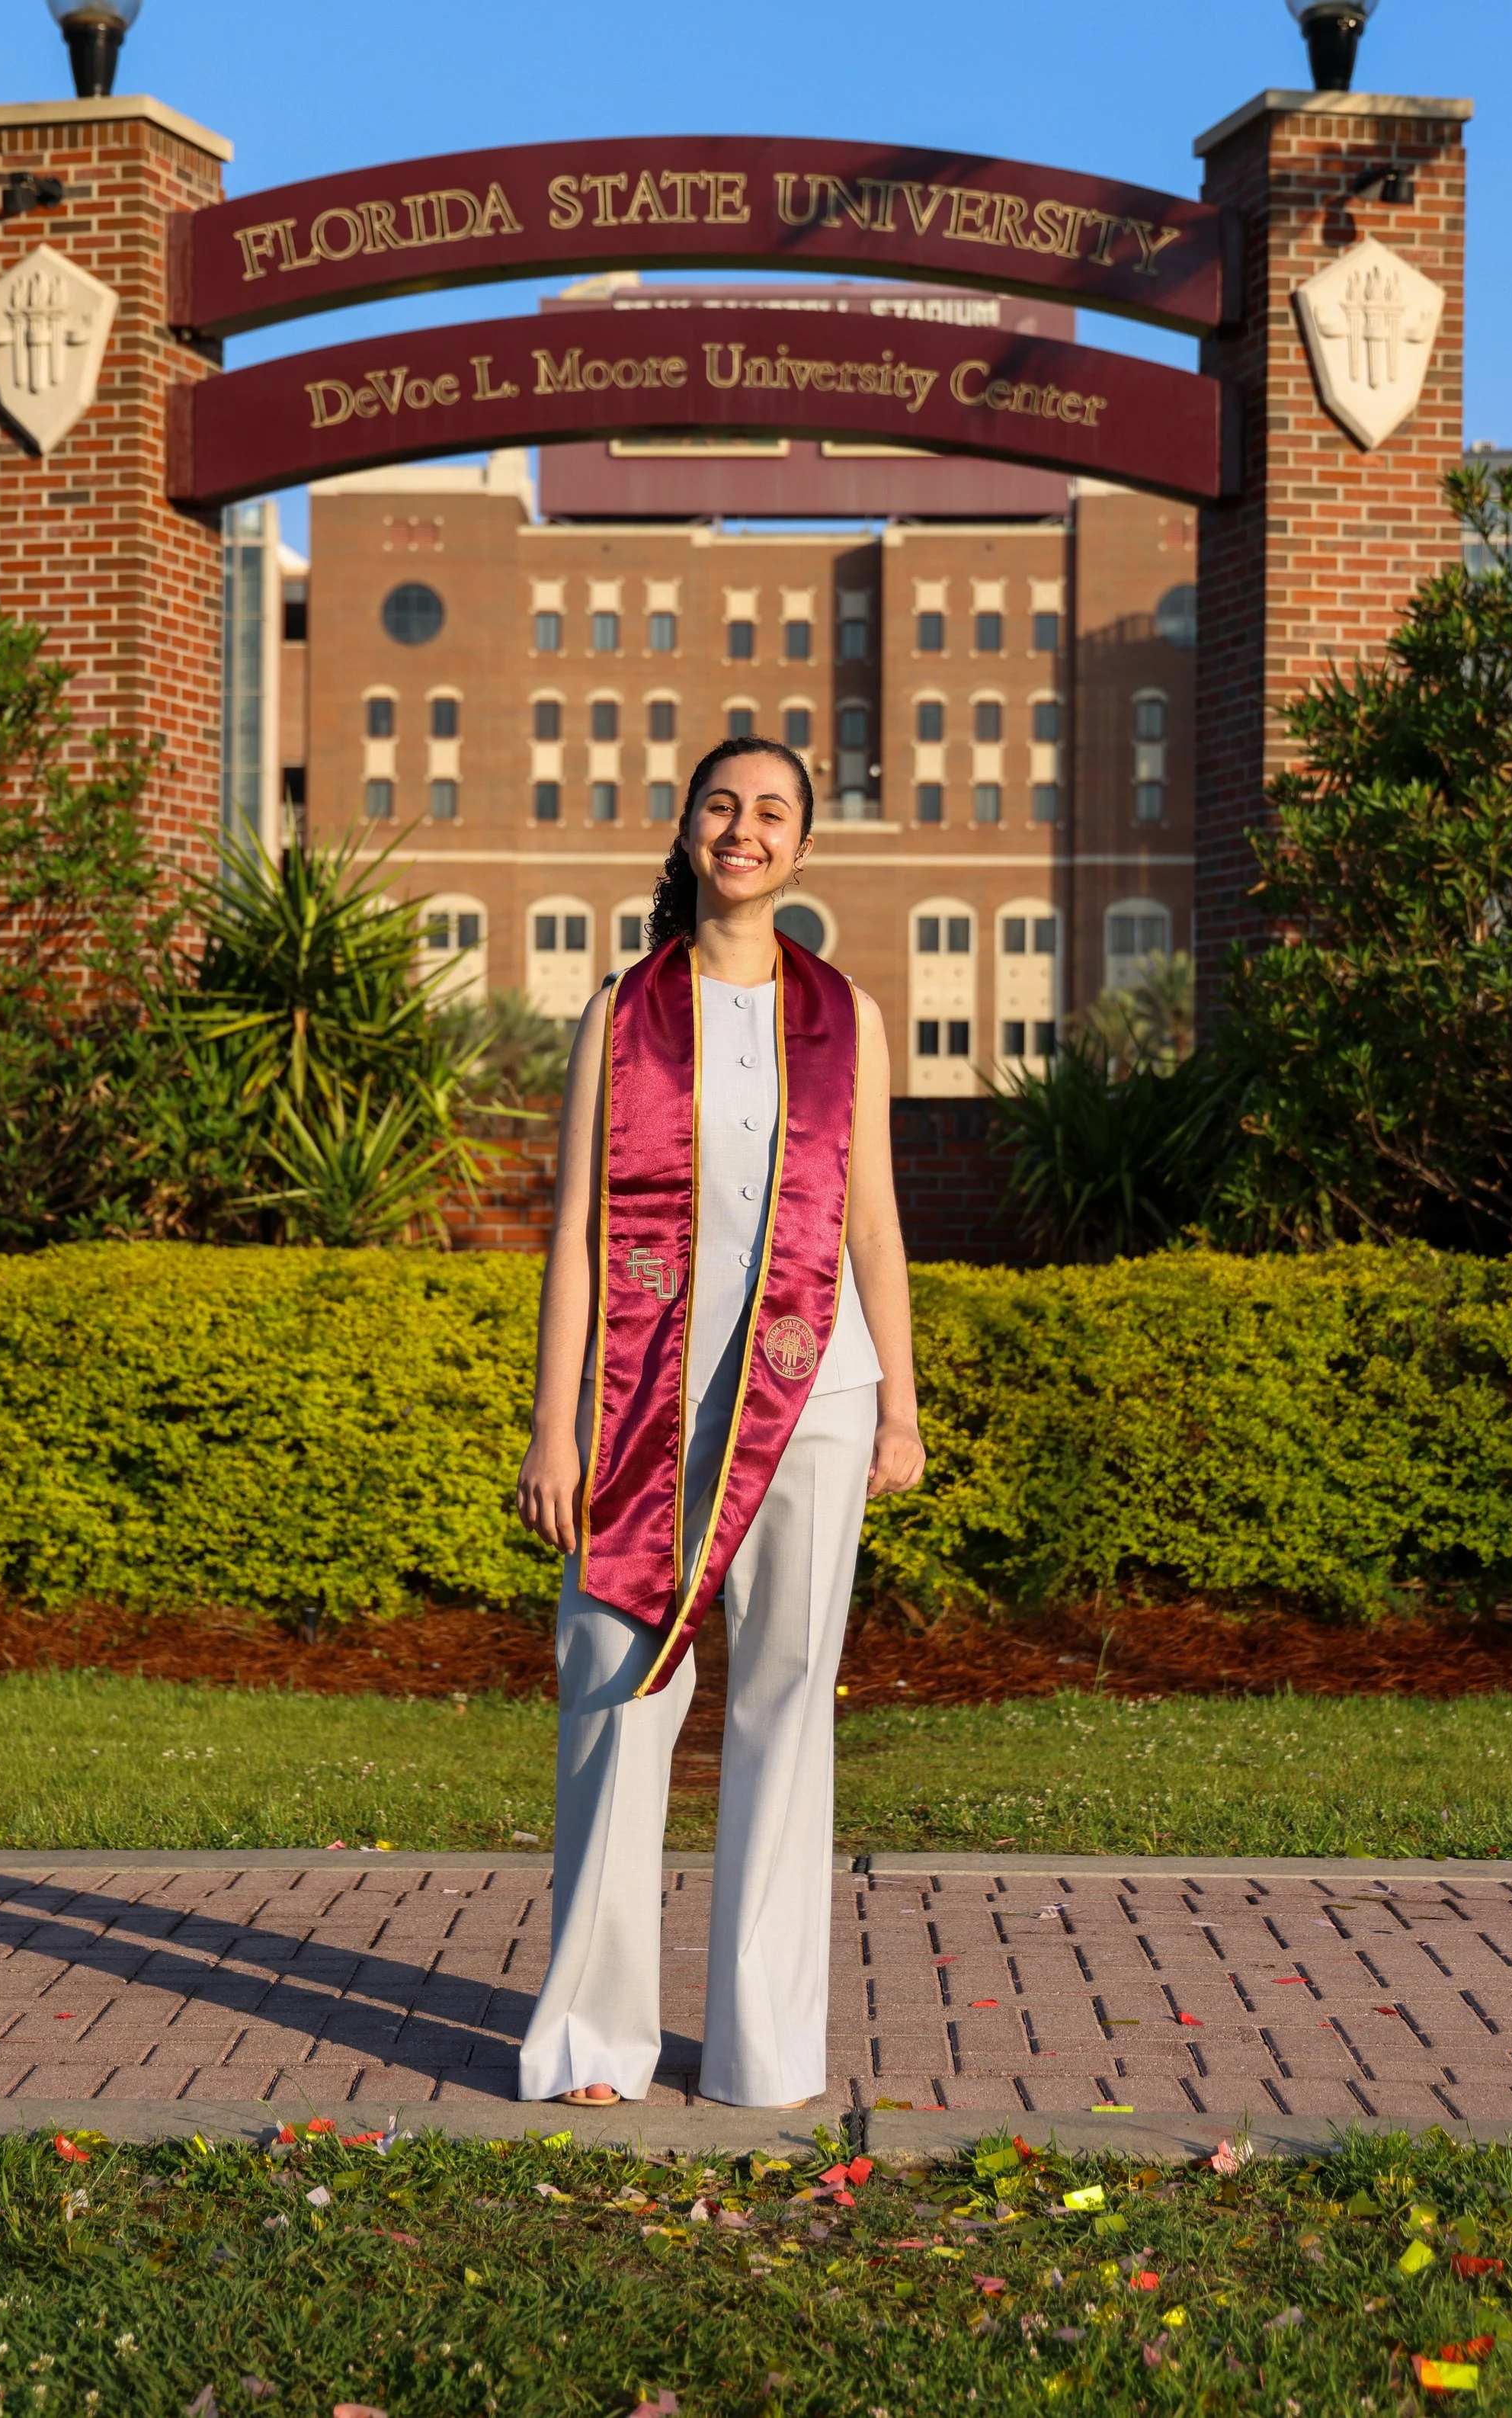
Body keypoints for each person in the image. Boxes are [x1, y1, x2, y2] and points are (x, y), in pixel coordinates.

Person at [514, 735, 926, 2109]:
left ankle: (764, 2048)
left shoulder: (847, 1016)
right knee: (618, 1699)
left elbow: (872, 1217)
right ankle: (594, 2038)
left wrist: (905, 1410)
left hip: (818, 1398)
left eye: (773, 813)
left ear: (803, 851)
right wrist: (554, 1432)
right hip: (648, 1406)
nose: (743, 829)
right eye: (721, 804)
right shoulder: (622, 1010)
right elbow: (575, 1233)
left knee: (786, 1707)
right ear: (688, 828)